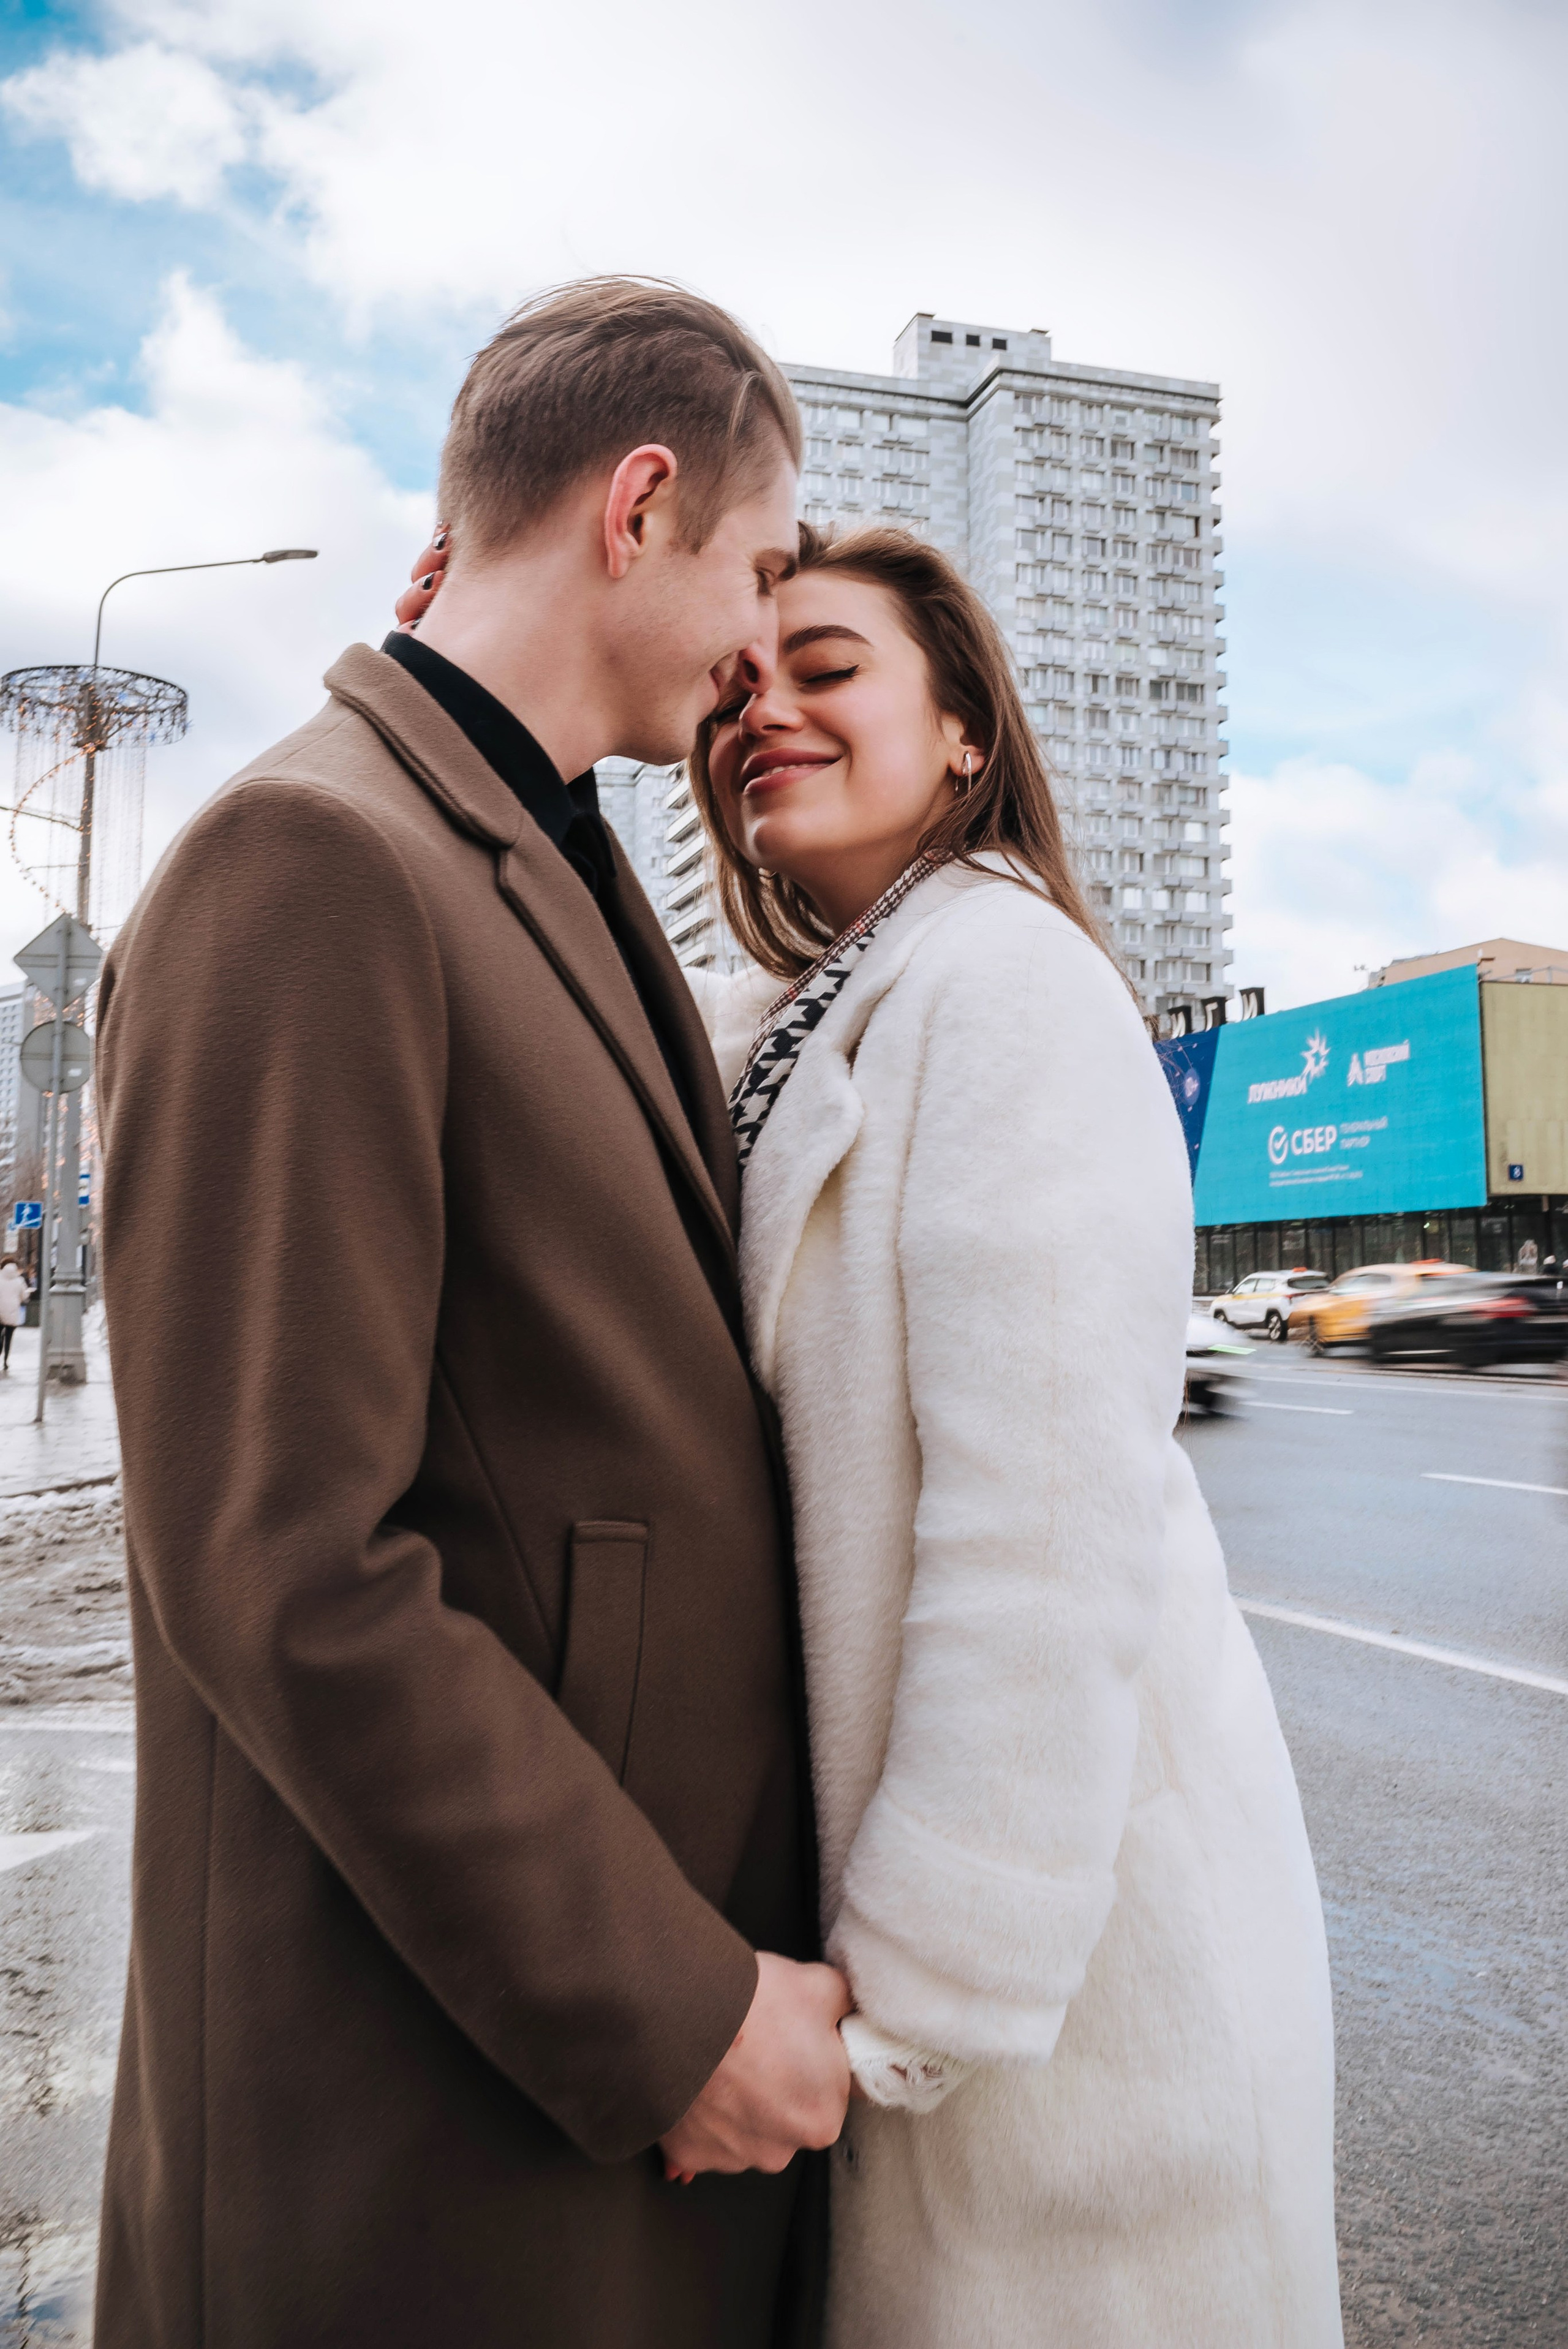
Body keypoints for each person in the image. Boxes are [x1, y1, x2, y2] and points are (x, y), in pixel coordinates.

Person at [404, 518, 1344, 2346]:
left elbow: (1040, 1531)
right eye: (736, 689)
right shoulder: (801, 1008)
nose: (765, 711)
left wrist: (913, 1998)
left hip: (1058, 2003)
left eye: (828, 670)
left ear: (965, 730)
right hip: (892, 1951)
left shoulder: (1008, 981)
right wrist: (499, 681)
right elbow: (570, 1023)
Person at [93, 280, 852, 2349]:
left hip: (540, 2126)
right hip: (427, 2138)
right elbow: (286, 1564)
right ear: (638, 505)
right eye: (759, 568)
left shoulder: (535, 849)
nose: (760, 640)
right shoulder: (311, 856)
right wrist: (673, 2010)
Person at [0, 1253, 30, 1368]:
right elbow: (24, 1296)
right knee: (9, 1337)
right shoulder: (19, 1280)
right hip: (12, 1311)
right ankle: (6, 1361)